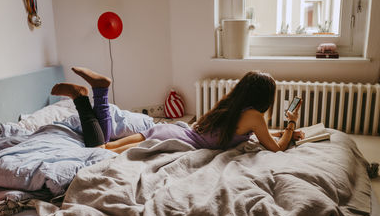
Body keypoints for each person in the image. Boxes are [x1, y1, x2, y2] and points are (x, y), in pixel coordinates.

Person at [52, 68, 303, 153]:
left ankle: (96, 94)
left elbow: (260, 134)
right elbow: (276, 147)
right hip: (175, 140)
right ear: (264, 97)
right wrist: (291, 124)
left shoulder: (236, 107)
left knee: (104, 149)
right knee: (99, 153)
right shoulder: (255, 116)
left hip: (170, 130)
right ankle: (87, 98)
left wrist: (284, 130)